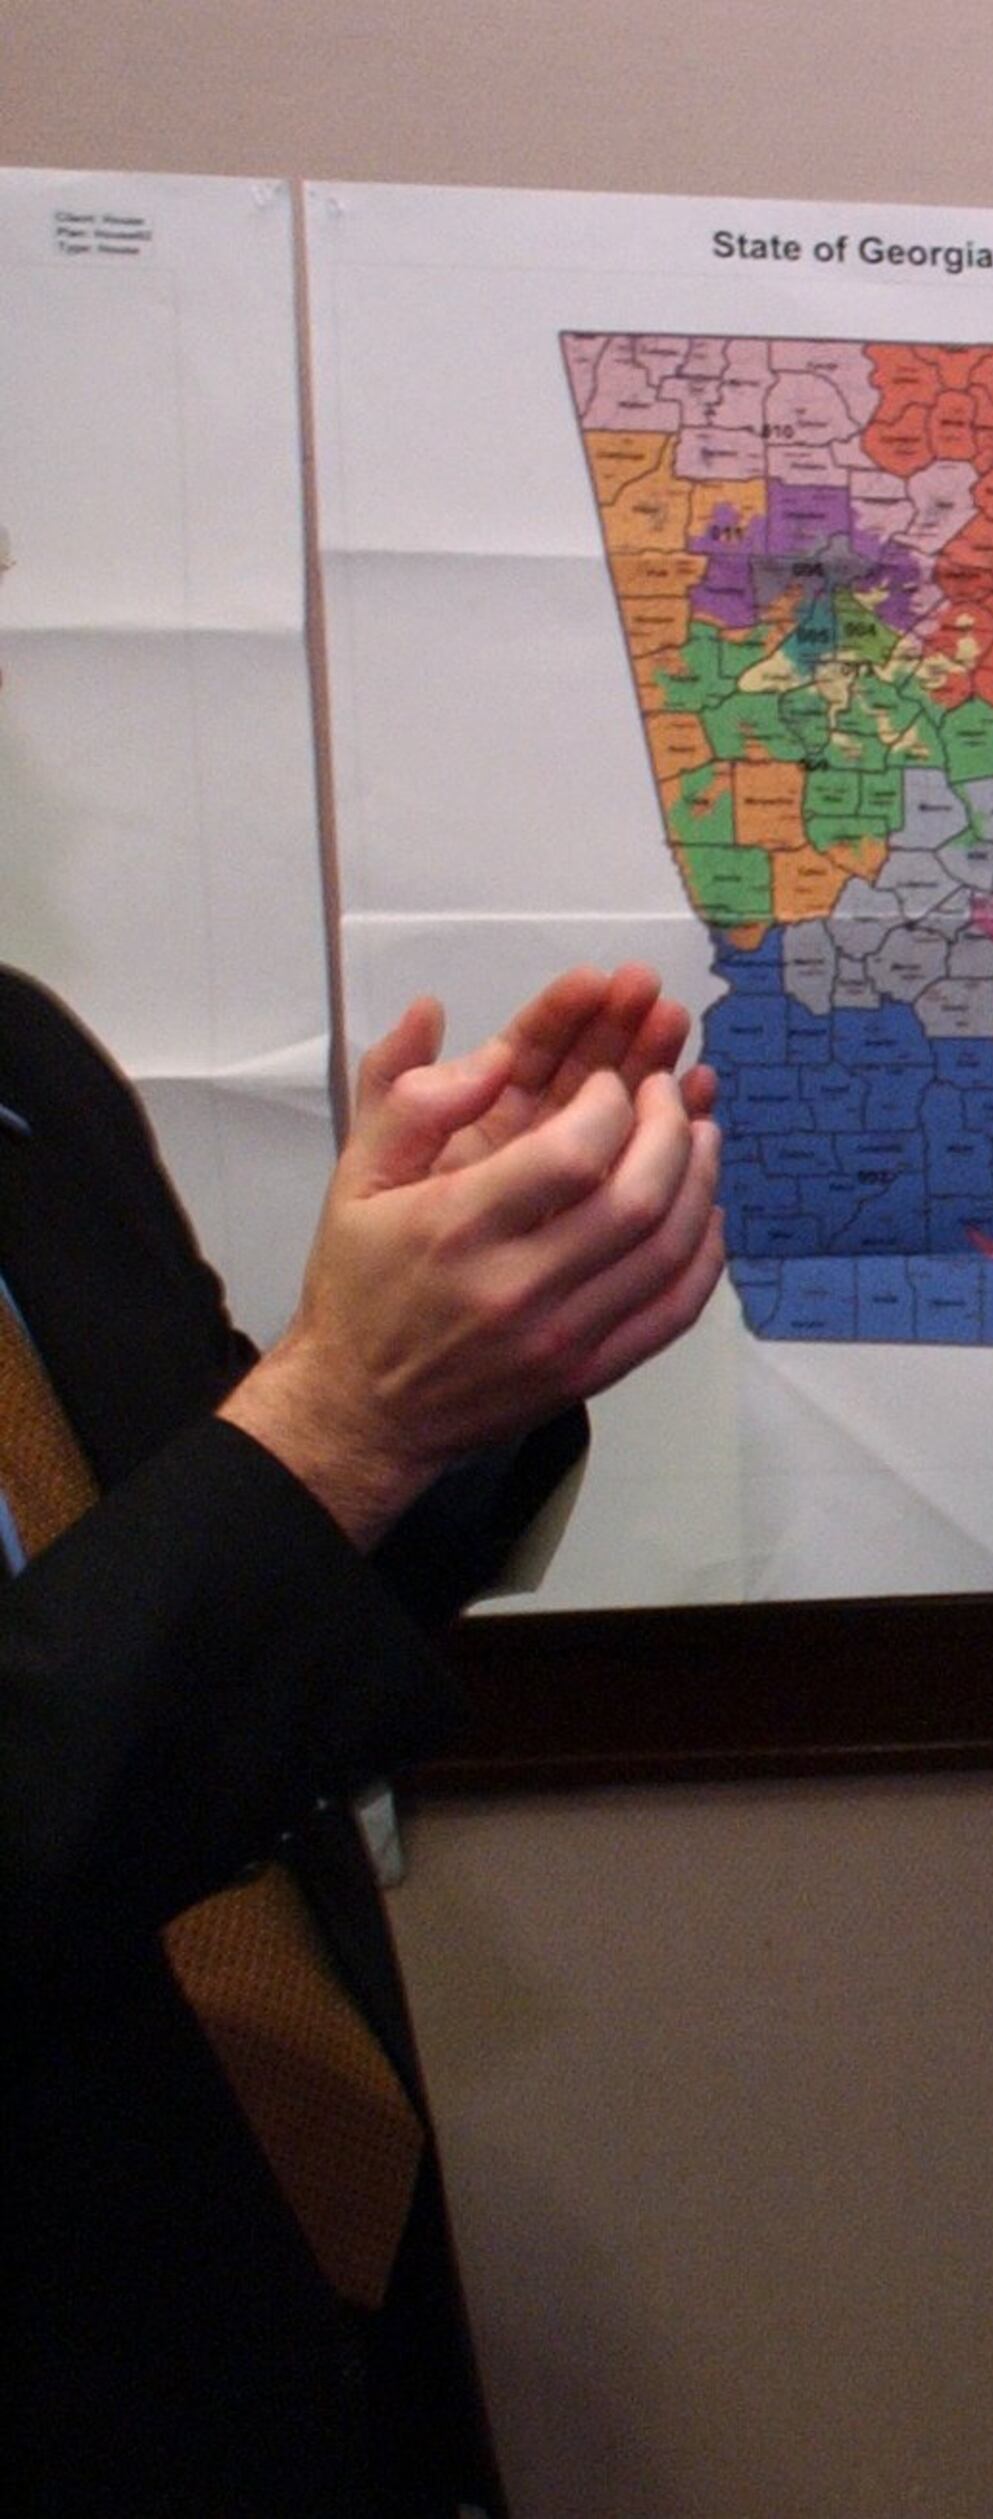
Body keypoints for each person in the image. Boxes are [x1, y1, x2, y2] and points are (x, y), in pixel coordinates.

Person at [4, 948, 727, 2516]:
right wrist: (343, 1415)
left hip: (289, 2289)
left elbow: (206, 1605)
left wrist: (450, 1358)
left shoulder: (25, 1065)